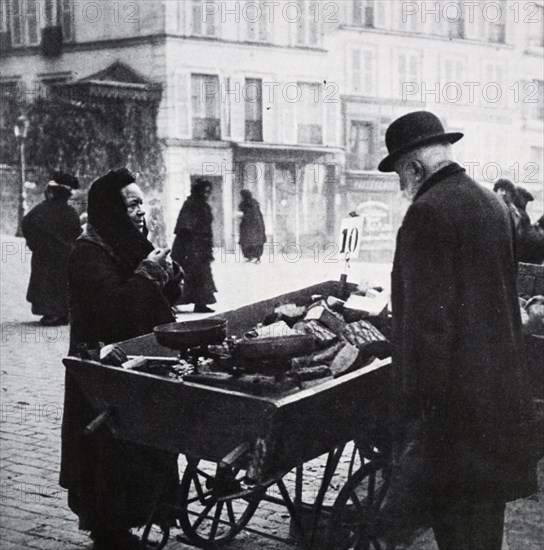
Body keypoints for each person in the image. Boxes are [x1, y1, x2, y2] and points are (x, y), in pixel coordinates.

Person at [378, 111, 539, 549]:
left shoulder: (428, 214)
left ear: (414, 168)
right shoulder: (494, 204)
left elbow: (430, 330)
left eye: (398, 175)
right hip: (499, 405)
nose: (400, 186)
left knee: (457, 533)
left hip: (454, 420)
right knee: (485, 531)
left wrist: (417, 420)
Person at [60, 168, 182, 550]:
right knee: (109, 450)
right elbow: (112, 312)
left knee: (141, 445)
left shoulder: (128, 243)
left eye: (142, 202)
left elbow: (156, 300)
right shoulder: (88, 252)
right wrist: (148, 274)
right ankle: (109, 533)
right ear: (111, 210)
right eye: (131, 204)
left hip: (139, 363)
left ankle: (139, 517)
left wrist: (169, 276)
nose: (140, 211)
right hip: (103, 368)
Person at [22, 172, 81, 326]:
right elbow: (76, 232)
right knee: (61, 283)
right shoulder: (71, 213)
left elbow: (27, 224)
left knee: (46, 283)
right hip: (64, 255)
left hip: (45, 254)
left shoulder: (41, 210)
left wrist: (34, 243)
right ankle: (61, 314)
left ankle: (52, 314)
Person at [171, 179, 217, 313]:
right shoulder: (190, 204)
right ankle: (172, 302)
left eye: (209, 192)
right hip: (189, 248)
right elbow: (184, 227)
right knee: (188, 275)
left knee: (202, 275)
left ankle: (200, 304)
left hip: (201, 247)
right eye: (204, 191)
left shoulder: (203, 206)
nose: (207, 194)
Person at [238, 189, 266, 263]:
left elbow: (250, 215)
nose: (240, 197)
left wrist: (242, 216)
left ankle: (253, 256)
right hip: (254, 226)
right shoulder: (253, 203)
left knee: (251, 240)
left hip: (251, 226)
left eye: (241, 196)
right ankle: (253, 256)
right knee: (253, 240)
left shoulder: (248, 204)